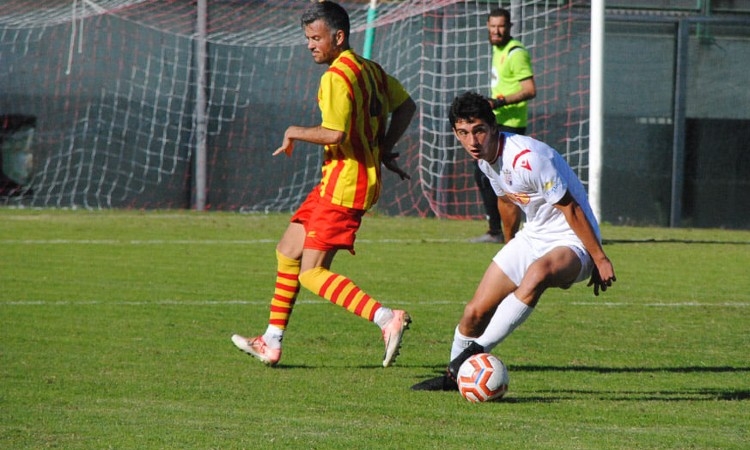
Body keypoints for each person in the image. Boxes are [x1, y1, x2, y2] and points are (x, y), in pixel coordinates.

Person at [232, 1, 416, 368]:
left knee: (312, 272)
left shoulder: (335, 77)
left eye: (316, 38)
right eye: (307, 38)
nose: (310, 45)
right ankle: (271, 340)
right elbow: (407, 106)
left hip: (346, 186)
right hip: (338, 180)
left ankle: (385, 318)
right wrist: (383, 147)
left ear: (339, 36)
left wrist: (293, 132)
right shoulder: (372, 70)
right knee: (287, 249)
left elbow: (336, 132)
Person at [412, 92, 615, 391]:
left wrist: (599, 258)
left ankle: (475, 352)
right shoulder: (484, 161)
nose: (473, 141)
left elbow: (570, 208)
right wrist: (511, 246)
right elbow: (507, 202)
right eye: (463, 133)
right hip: (533, 236)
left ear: (494, 127)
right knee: (473, 312)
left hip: (574, 241)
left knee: (537, 274)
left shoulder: (529, 159)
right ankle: (453, 378)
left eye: (479, 130)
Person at [470, 7, 537, 244]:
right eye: (493, 26)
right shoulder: (498, 50)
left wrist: (498, 101)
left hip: (511, 125)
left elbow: (530, 89)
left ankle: (502, 232)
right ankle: (497, 230)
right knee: (484, 174)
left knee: (501, 177)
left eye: (501, 26)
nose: (496, 30)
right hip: (500, 123)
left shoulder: (515, 52)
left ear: (509, 27)